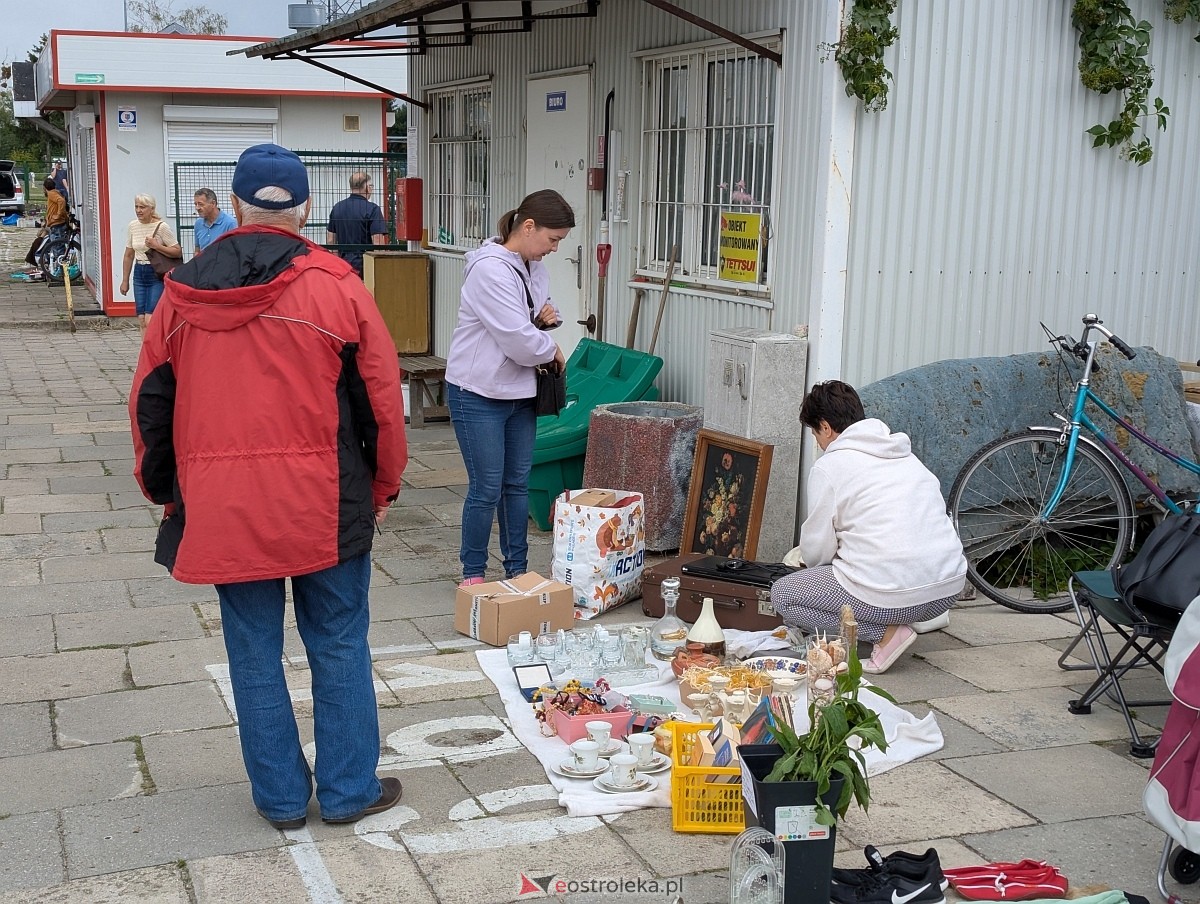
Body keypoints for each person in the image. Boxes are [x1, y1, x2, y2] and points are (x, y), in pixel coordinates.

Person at [128, 143, 408, 829]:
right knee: (339, 641)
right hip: (326, 500)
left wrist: (167, 493)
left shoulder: (181, 292)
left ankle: (280, 799)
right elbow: (381, 400)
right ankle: (347, 791)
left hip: (222, 504)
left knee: (251, 650)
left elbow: (150, 406)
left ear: (237, 203)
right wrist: (383, 487)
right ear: (308, 208)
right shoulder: (338, 286)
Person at [770, 380, 967, 674]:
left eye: (815, 433)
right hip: (948, 586)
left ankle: (886, 634)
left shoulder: (830, 465)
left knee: (783, 595)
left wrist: (812, 563)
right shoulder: (904, 453)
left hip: (888, 591)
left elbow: (818, 552)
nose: (818, 443)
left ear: (825, 427)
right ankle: (902, 618)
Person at [445, 189, 573, 588]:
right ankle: (473, 573)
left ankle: (517, 569)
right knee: (487, 486)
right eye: (552, 239)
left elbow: (541, 313)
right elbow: (517, 339)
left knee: (517, 485)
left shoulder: (534, 267)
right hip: (477, 392)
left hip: (520, 391)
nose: (553, 249)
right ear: (528, 226)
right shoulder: (489, 269)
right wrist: (548, 345)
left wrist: (542, 324)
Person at [118, 194, 182, 330]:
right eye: (136, 206)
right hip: (139, 272)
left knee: (150, 318)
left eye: (142, 207)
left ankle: (156, 350)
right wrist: (125, 280)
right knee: (141, 318)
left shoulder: (162, 226)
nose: (138, 210)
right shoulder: (133, 226)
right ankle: (145, 351)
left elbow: (177, 251)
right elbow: (128, 255)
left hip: (155, 272)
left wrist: (157, 246)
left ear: (151, 209)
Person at [325, 171, 387, 277]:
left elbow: (331, 240)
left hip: (343, 267)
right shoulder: (372, 209)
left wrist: (337, 263)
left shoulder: (337, 208)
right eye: (371, 186)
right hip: (365, 266)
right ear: (367, 188)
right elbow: (378, 243)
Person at [192, 187, 237, 252]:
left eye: (200, 204)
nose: (197, 208)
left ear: (213, 203)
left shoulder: (230, 223)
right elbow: (197, 250)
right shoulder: (198, 223)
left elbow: (235, 251)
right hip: (203, 262)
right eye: (195, 204)